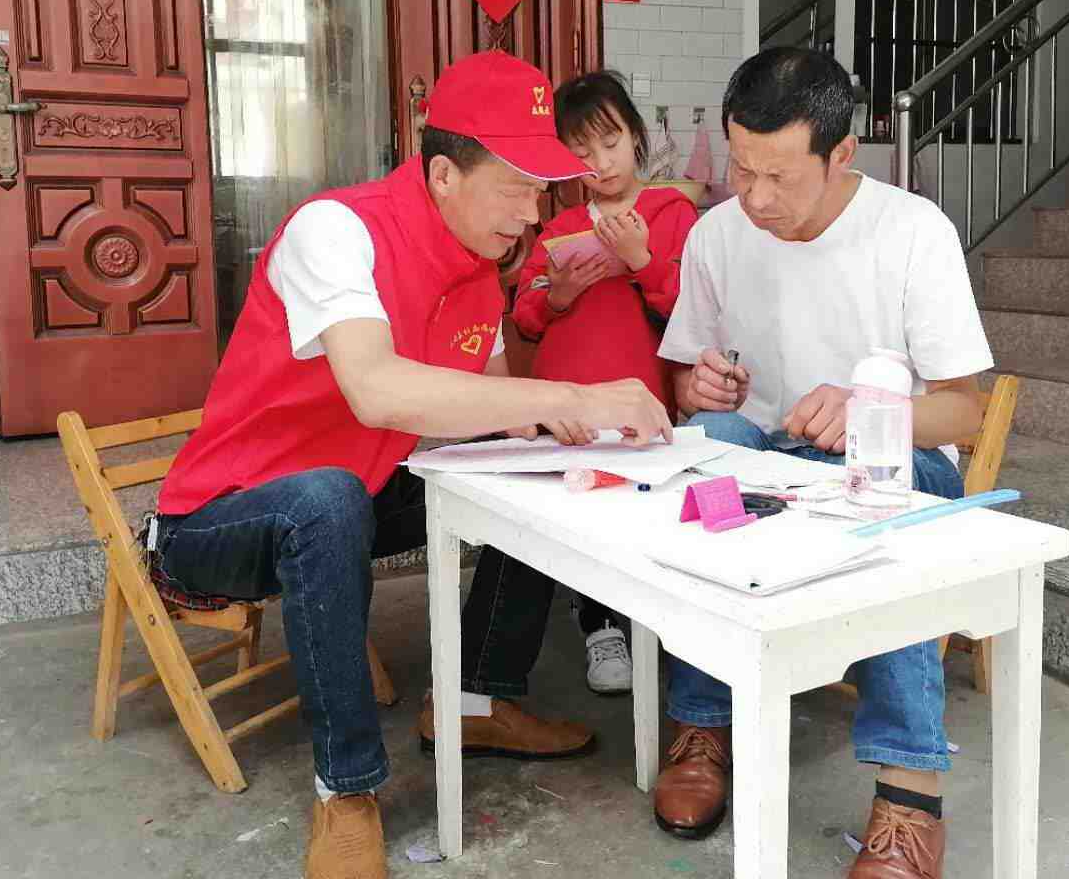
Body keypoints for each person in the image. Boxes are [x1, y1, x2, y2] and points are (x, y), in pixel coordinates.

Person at [152, 50, 672, 879]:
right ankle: (345, 790)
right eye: (516, 189)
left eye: (542, 190)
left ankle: (473, 699)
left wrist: (576, 428)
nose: (534, 213)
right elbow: (377, 391)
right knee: (325, 501)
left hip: (351, 499)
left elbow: (500, 414)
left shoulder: (481, 276)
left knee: (526, 475)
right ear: (442, 175)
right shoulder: (337, 230)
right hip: (219, 519)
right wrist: (569, 393)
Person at [654, 46, 993, 879]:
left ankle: (910, 801)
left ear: (842, 153)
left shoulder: (912, 231)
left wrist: (873, 412)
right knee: (708, 452)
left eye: (779, 176)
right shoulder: (715, 234)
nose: (756, 197)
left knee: (890, 493)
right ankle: (702, 725)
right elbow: (681, 382)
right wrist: (698, 384)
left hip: (896, 465)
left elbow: (965, 410)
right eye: (742, 168)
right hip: (765, 453)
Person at [512, 71, 698, 695]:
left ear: (635, 134)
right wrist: (557, 296)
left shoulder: (671, 212)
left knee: (636, 501)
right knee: (578, 501)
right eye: (582, 152)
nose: (601, 162)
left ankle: (644, 615)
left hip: (638, 388)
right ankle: (601, 625)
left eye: (611, 142)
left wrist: (642, 260)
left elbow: (691, 310)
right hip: (564, 389)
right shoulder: (558, 228)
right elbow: (525, 317)